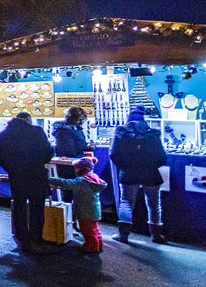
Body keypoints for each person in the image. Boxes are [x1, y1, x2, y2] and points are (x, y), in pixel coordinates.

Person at [0, 112, 54, 254]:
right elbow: (47, 154)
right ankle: (36, 240)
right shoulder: (37, 132)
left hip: (17, 176)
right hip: (36, 175)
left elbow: (0, 158)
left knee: (19, 207)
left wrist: (12, 169)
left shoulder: (3, 135)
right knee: (37, 209)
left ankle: (23, 240)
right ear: (29, 121)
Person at [110, 106, 167, 244]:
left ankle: (123, 235)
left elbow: (113, 155)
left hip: (128, 173)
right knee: (154, 204)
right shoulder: (153, 135)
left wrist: (125, 166)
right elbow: (162, 157)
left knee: (126, 203)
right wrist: (151, 166)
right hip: (151, 174)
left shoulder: (121, 134)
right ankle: (156, 235)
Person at [48, 157, 107, 253]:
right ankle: (99, 244)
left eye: (76, 168)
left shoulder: (82, 181)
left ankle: (92, 247)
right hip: (94, 210)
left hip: (85, 211)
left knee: (87, 231)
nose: (75, 170)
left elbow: (66, 183)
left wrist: (51, 179)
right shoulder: (94, 178)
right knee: (94, 229)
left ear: (83, 169)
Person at [51, 107, 91, 204]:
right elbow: (69, 150)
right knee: (70, 193)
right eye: (79, 119)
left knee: (72, 193)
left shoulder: (71, 129)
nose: (81, 122)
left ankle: (71, 216)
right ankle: (69, 216)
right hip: (70, 166)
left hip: (74, 164)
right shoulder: (65, 132)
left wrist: (86, 147)